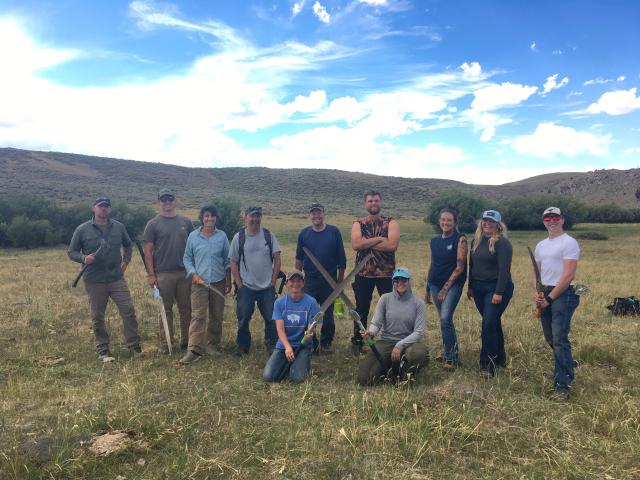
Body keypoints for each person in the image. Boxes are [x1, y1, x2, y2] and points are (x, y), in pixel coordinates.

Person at [68, 197, 142, 362]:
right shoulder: (82, 229)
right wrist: (83, 258)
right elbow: (71, 252)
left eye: (106, 206)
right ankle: (103, 350)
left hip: (116, 278)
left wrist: (126, 261)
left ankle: (134, 347)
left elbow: (128, 245)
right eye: (100, 206)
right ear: (93, 208)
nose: (104, 209)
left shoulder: (119, 227)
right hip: (94, 280)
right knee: (97, 316)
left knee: (128, 311)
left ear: (110, 209)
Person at [533, 206, 580, 400]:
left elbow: (568, 275)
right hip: (545, 292)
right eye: (547, 218)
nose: (551, 221)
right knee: (551, 338)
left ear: (562, 220)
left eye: (555, 217)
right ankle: (567, 363)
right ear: (544, 221)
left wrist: (550, 298)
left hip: (563, 294)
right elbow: (536, 273)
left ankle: (563, 385)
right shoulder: (540, 245)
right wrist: (537, 294)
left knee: (559, 339)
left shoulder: (569, 243)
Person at [143, 188, 194, 354]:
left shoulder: (186, 222)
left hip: (185, 273)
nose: (167, 202)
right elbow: (148, 251)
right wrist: (151, 275)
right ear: (159, 202)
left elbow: (194, 247)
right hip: (163, 274)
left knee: (186, 309)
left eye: (170, 199)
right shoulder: (153, 224)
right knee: (165, 310)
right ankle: (166, 345)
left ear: (175, 201)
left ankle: (187, 343)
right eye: (163, 200)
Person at [357, 268, 428, 385]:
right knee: (364, 379)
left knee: (418, 354)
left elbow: (418, 332)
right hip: (386, 341)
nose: (400, 283)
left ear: (409, 281)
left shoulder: (418, 303)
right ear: (393, 282)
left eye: (404, 280)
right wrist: (371, 332)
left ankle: (406, 375)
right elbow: (376, 322)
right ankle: (390, 365)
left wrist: (400, 345)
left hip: (409, 343)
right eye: (396, 280)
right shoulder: (385, 299)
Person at [180, 205, 232, 364]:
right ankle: (194, 349)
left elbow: (227, 260)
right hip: (199, 283)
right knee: (198, 315)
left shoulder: (222, 236)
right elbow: (187, 258)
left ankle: (212, 345)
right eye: (206, 216)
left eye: (212, 216)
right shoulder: (193, 237)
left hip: (218, 281)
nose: (210, 219)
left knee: (216, 315)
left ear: (216, 218)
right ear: (202, 218)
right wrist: (193, 273)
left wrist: (228, 280)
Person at [350, 190, 400, 354]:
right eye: (370, 201)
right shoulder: (358, 223)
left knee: (390, 308)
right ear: (365, 204)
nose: (373, 203)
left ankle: (391, 339)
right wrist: (379, 239)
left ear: (380, 202)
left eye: (376, 201)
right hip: (363, 273)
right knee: (361, 309)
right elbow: (356, 244)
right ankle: (358, 340)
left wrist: (367, 242)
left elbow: (392, 246)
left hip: (386, 274)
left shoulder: (391, 222)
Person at [295, 202, 346, 354]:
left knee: (328, 314)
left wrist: (339, 282)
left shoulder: (334, 232)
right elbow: (299, 258)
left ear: (324, 214)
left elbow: (341, 259)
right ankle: (311, 342)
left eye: (319, 212)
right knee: (310, 313)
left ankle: (326, 343)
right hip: (310, 280)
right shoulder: (304, 234)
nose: (316, 215)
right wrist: (298, 280)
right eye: (313, 213)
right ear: (309, 215)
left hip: (329, 281)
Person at [229, 206, 281, 355]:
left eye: (258, 216)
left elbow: (277, 258)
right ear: (246, 218)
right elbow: (233, 261)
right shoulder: (239, 237)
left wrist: (273, 281)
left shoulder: (268, 236)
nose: (255, 219)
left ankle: (271, 343)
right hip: (246, 287)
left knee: (271, 318)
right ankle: (242, 346)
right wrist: (239, 284)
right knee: (243, 319)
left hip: (267, 287)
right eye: (252, 216)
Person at [468, 210, 514, 378]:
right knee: (492, 323)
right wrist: (470, 286)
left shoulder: (502, 243)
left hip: (496, 288)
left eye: (491, 221)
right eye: (485, 220)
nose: (487, 224)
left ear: (498, 225)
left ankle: (487, 364)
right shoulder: (477, 241)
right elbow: (471, 265)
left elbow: (504, 270)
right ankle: (500, 358)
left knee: (488, 324)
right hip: (479, 288)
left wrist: (499, 292)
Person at [425, 207, 467, 371]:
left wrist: (445, 289)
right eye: (443, 219)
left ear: (455, 222)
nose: (445, 222)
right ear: (439, 221)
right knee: (444, 320)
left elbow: (460, 267)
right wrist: (428, 289)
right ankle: (449, 351)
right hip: (435, 284)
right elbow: (432, 264)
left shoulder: (460, 239)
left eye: (449, 220)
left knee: (445, 318)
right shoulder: (434, 241)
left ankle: (451, 358)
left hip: (452, 286)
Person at [263, 270, 320, 383]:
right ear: (286, 284)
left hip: (303, 345)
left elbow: (312, 328)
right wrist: (287, 347)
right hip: (283, 345)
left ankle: (301, 362)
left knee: (297, 378)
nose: (295, 284)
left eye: (299, 281)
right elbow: (280, 329)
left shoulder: (312, 302)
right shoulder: (279, 303)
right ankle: (289, 361)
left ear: (303, 283)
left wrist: (309, 334)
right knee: (268, 377)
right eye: (292, 281)